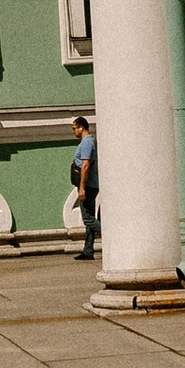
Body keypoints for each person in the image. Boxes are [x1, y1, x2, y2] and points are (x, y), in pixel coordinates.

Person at [72, 114, 100, 269]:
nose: (74, 131)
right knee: (89, 220)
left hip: (88, 185)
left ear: (81, 127)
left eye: (74, 128)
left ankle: (112, 237)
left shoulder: (87, 142)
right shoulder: (87, 142)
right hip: (90, 184)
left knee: (88, 219)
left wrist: (82, 186)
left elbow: (85, 165)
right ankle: (88, 250)